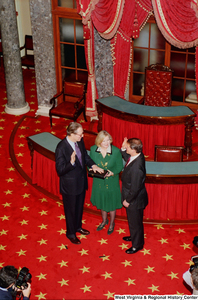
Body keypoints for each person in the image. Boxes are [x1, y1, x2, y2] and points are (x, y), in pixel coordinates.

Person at [55, 122, 103, 245]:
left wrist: (93, 165)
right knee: (70, 211)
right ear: (71, 133)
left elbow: (85, 156)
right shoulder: (61, 147)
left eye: (82, 134)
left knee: (79, 208)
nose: (82, 137)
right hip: (70, 186)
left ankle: (78, 227)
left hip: (81, 182)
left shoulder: (79, 141)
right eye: (80, 134)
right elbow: (60, 170)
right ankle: (71, 233)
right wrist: (71, 163)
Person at [90, 130, 123, 234]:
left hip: (112, 182)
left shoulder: (116, 151)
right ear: (99, 141)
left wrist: (112, 173)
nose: (107, 143)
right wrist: (93, 168)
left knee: (112, 204)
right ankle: (104, 221)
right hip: (98, 182)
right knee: (102, 202)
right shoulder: (93, 149)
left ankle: (112, 223)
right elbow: (89, 163)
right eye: (104, 141)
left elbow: (119, 166)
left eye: (108, 140)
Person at [121, 137, 148, 254]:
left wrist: (128, 200)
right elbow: (127, 158)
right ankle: (134, 236)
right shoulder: (137, 156)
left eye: (127, 147)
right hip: (135, 197)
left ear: (133, 149)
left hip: (134, 200)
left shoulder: (137, 168)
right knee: (134, 221)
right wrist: (123, 147)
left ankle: (137, 245)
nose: (126, 148)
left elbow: (135, 187)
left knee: (135, 223)